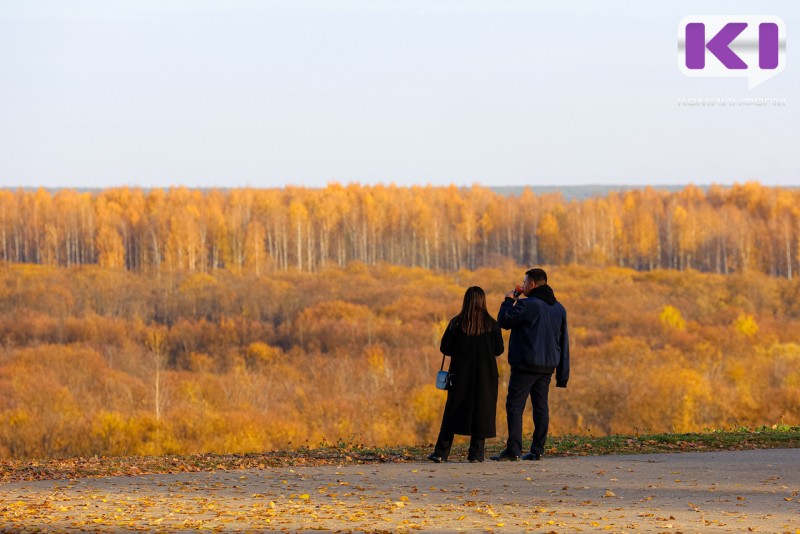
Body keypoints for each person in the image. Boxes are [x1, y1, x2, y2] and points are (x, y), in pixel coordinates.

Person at [491, 268, 569, 461]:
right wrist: (562, 373)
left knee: (515, 406)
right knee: (541, 407)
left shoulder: (528, 305)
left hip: (526, 364)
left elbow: (504, 321)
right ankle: (537, 449)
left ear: (532, 284)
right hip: (547, 366)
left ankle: (514, 450)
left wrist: (509, 300)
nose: (522, 285)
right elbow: (564, 342)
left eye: (524, 282)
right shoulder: (559, 308)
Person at [428, 286, 505, 463]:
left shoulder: (456, 323)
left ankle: (441, 453)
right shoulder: (492, 324)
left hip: (460, 375)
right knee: (482, 412)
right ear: (483, 301)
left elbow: (444, 348)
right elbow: (499, 350)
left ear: (466, 301)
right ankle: (476, 455)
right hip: (486, 377)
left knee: (453, 412)